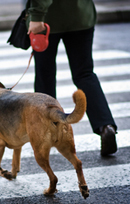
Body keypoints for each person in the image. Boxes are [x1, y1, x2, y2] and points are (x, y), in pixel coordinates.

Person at [25, 0, 117, 156]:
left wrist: (36, 15)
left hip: (47, 20)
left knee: (44, 75)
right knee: (85, 74)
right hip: (81, 17)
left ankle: (47, 133)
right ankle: (105, 126)